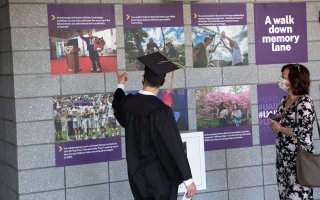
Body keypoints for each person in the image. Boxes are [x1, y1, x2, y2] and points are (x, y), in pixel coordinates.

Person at [112, 52, 197, 199]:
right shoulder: (160, 111)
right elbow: (173, 145)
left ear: (142, 78)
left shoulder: (128, 103)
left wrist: (120, 84)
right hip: (160, 180)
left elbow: (117, 104)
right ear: (162, 83)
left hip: (137, 178)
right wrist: (188, 180)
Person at [269, 64, 315, 200]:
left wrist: (280, 128)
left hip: (299, 161)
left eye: (284, 76)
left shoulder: (305, 102)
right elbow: (278, 125)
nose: (281, 78)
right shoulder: (283, 101)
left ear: (295, 80)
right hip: (283, 161)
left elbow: (304, 131)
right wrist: (274, 127)